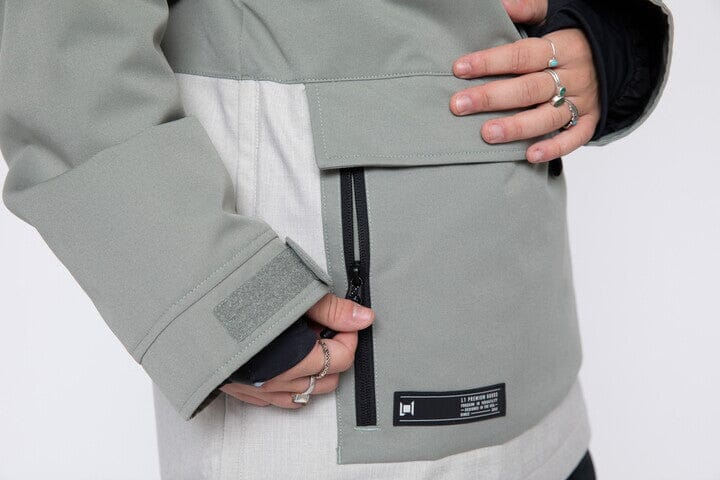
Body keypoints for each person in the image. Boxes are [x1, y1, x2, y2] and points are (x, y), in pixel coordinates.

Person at [0, 0, 672, 478]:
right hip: (321, 407)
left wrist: (608, 31)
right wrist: (229, 307)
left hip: (543, 396)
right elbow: (64, 60)